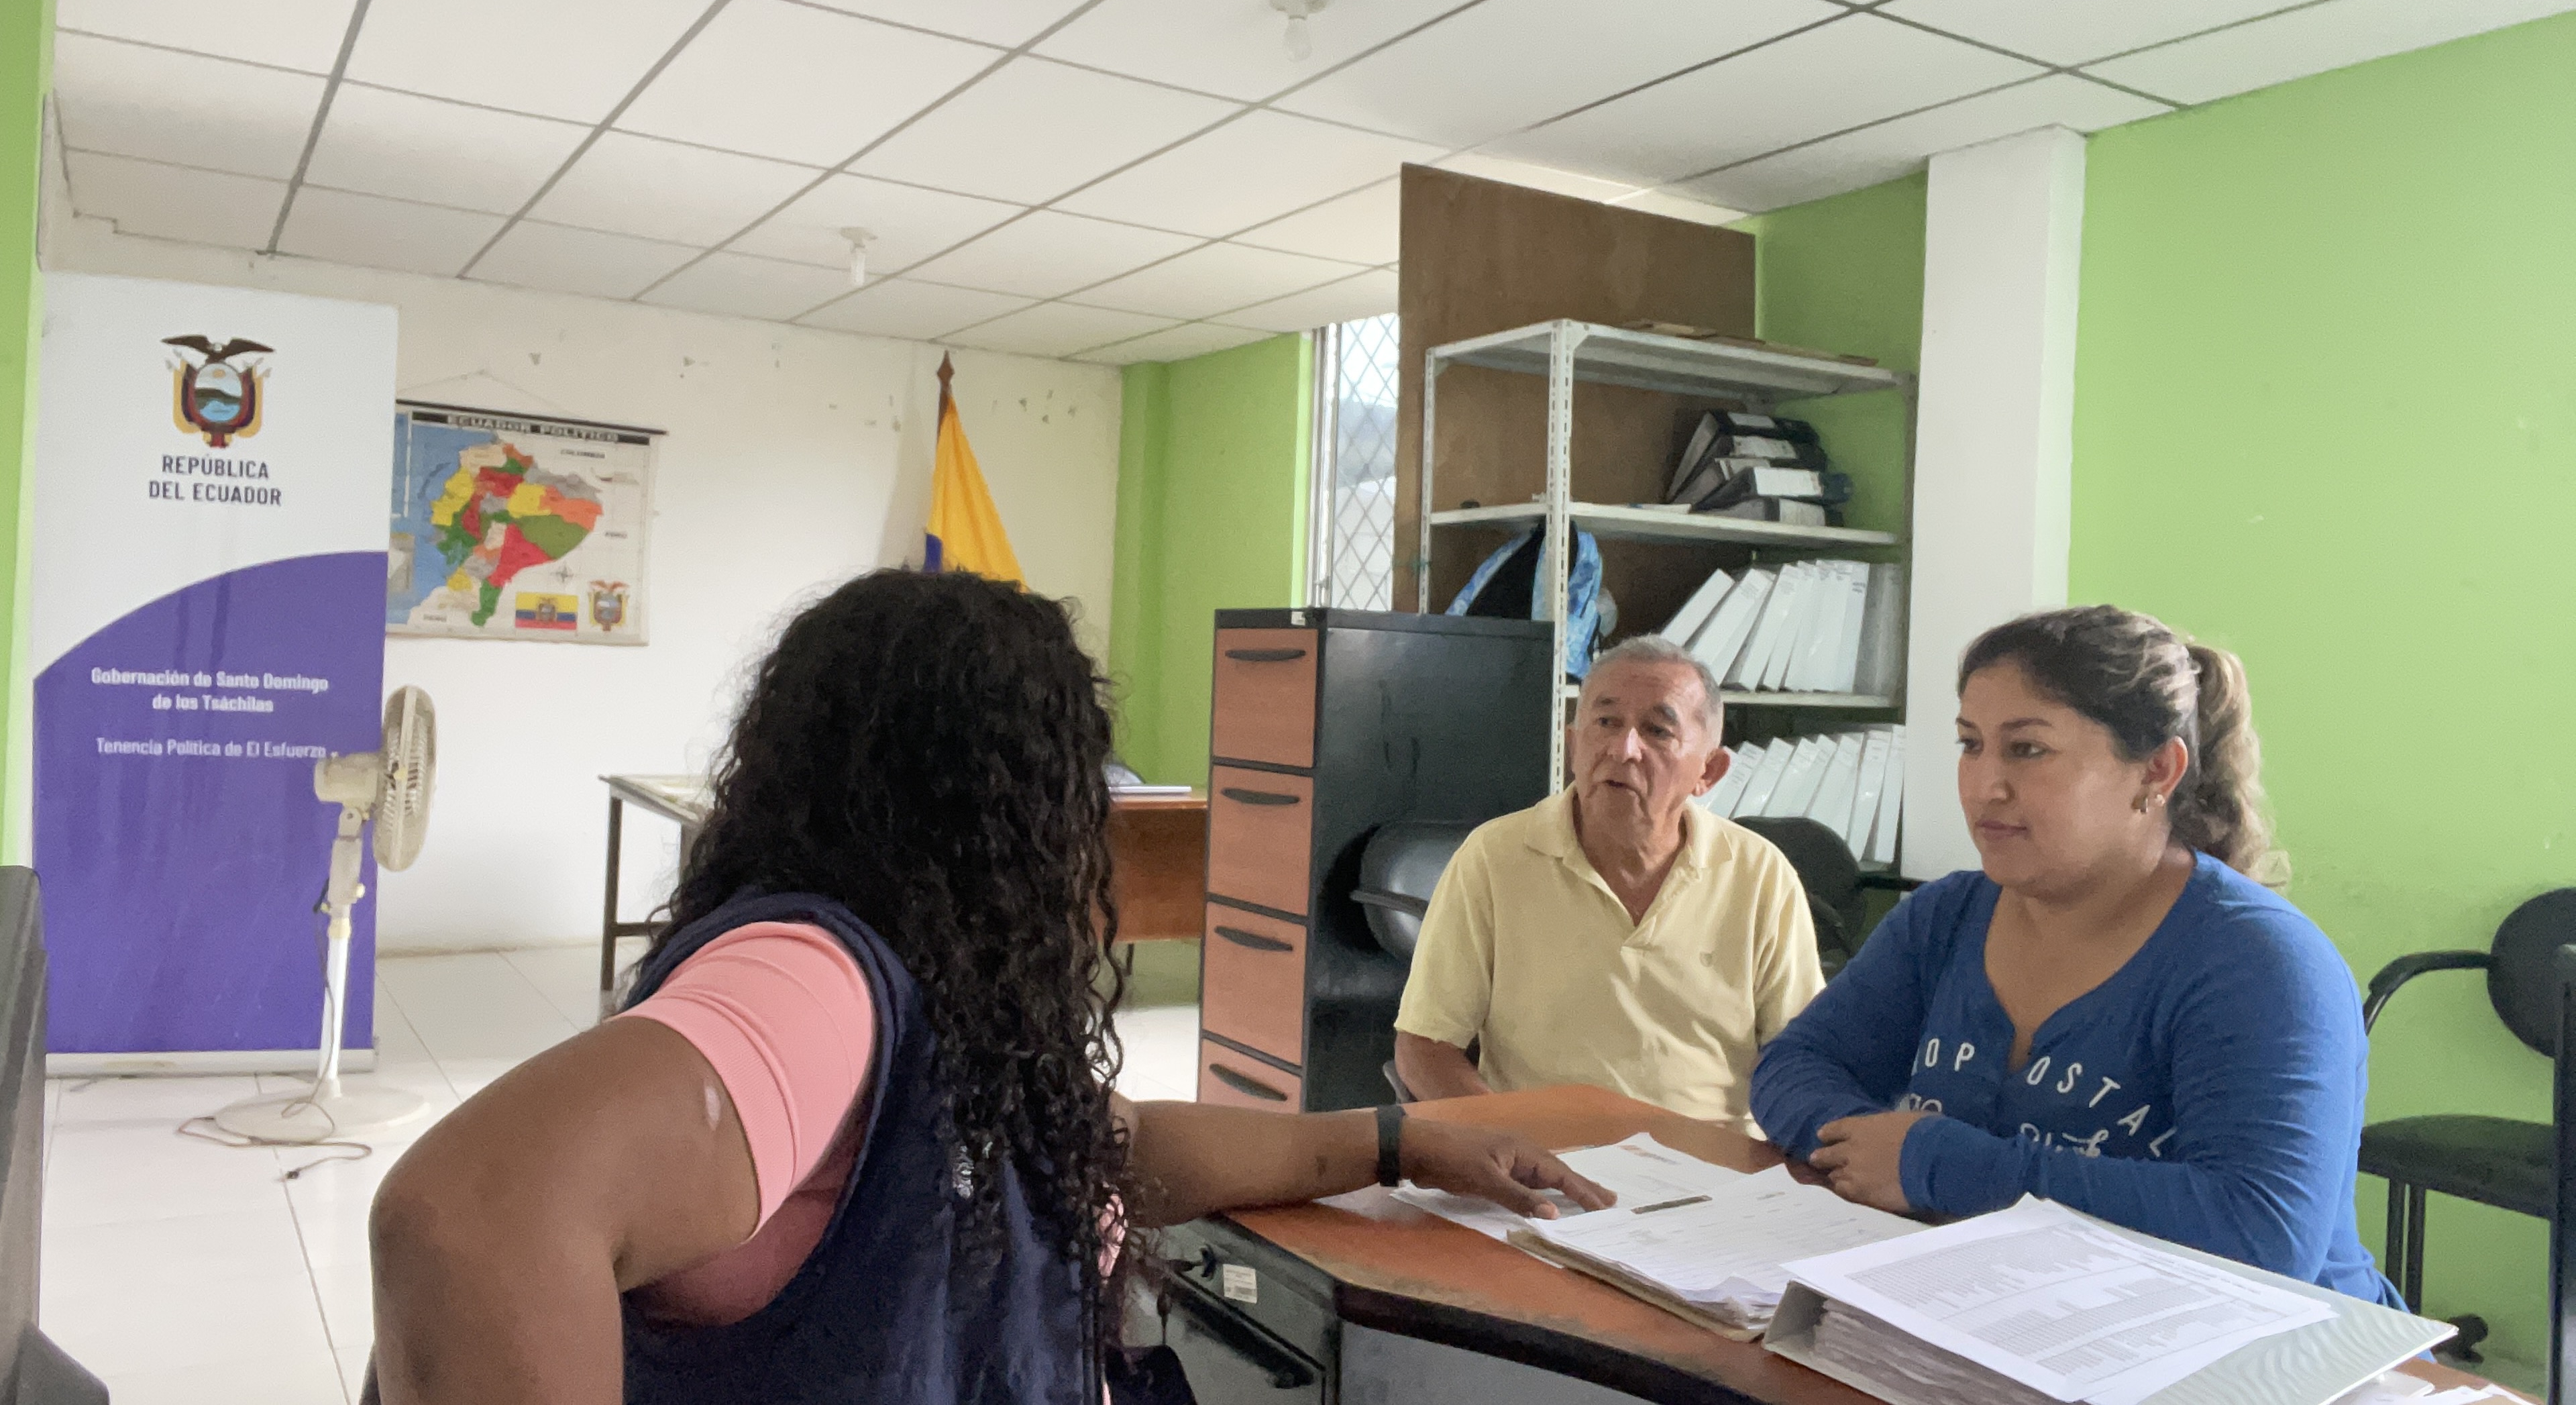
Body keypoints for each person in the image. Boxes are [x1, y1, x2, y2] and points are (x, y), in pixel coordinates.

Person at [363, 569, 1613, 1405]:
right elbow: (466, 1217)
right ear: (1004, 798)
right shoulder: (814, 979)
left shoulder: (930, 982)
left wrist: (1394, 1142)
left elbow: (1094, 1146)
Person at [1750, 605, 2394, 1303]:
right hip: (2002, 1307)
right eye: (1970, 745)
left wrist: (1943, 1165)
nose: (1984, 785)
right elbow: (1796, 1065)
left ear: (2155, 771)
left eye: (2027, 750)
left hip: (2269, 1340)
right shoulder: (1946, 917)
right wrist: (1870, 1150)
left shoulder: (2261, 963)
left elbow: (2261, 1232)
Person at [1393, 635, 1825, 1132]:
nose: (1624, 750)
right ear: (1574, 745)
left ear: (1709, 771)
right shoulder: (1495, 858)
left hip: (1712, 1159)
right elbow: (1424, 1045)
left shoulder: (1759, 873)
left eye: (1657, 731)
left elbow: (1802, 1055)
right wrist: (1507, 1140)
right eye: (1606, 723)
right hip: (1541, 1154)